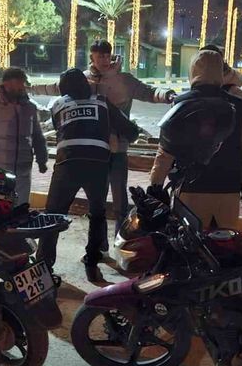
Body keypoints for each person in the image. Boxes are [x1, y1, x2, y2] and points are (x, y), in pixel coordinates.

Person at [30, 40, 174, 246]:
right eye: (100, 56)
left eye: (107, 55)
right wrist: (31, 88)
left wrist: (167, 95)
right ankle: (100, 246)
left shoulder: (124, 80)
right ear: (92, 58)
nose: (105, 60)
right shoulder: (84, 79)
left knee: (120, 201)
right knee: (98, 203)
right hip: (95, 151)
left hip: (117, 149)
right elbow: (56, 87)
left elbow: (148, 91)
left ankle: (120, 242)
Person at [39, 69, 140, 282]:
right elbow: (131, 131)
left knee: (52, 215)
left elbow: (61, 128)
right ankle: (92, 262)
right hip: (97, 165)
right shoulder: (102, 103)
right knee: (97, 213)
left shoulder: (58, 105)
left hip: (67, 164)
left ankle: (43, 265)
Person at [147, 49, 242, 229]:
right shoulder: (238, 105)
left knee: (191, 241)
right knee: (224, 241)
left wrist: (155, 184)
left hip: (190, 189)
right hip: (228, 186)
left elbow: (166, 151)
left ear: (193, 71)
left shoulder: (181, 103)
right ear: (220, 71)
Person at [0, 67, 47, 206]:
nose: (19, 89)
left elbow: (37, 136)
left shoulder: (30, 108)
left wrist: (42, 159)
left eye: (21, 86)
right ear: (5, 84)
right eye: (15, 86)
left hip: (23, 169)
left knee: (21, 207)